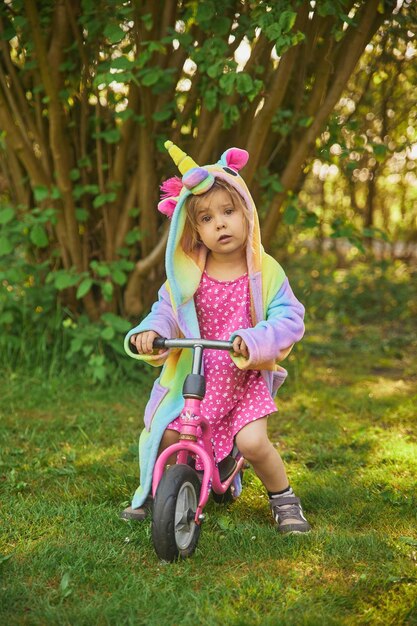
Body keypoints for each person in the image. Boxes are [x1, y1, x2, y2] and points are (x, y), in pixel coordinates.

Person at [121, 141, 310, 534]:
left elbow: (290, 318)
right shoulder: (187, 273)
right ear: (194, 231)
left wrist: (257, 339)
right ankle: (162, 492)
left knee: (255, 443)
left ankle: (284, 498)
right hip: (196, 382)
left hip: (243, 383)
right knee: (169, 433)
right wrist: (153, 331)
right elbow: (168, 310)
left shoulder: (265, 271)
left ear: (247, 214)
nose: (220, 223)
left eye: (228, 212)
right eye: (207, 219)